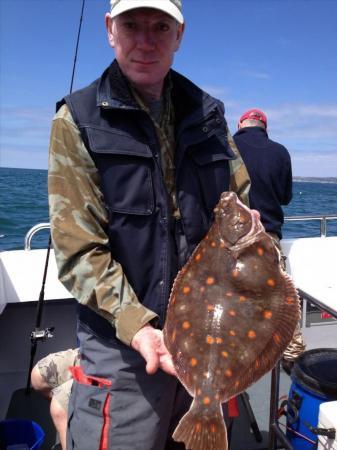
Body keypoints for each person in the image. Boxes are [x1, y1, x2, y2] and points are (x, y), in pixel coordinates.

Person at [48, 1, 250, 448]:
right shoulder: (78, 119)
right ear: (109, 30)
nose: (146, 40)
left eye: (161, 26)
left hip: (208, 335)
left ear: (179, 35)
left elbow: (238, 202)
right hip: (123, 347)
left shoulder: (209, 115)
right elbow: (79, 250)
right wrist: (139, 327)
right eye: (131, 24)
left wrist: (250, 228)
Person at [233, 108, 306, 373]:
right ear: (265, 128)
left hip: (232, 237)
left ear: (240, 124)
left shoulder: (226, 146)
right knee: (281, 300)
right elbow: (285, 197)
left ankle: (235, 360)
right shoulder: (280, 151)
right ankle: (292, 355)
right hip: (267, 236)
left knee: (233, 300)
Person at [31, 349, 80, 450]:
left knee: (58, 407)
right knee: (37, 376)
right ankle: (70, 421)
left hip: (112, 362)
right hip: (91, 350)